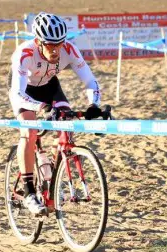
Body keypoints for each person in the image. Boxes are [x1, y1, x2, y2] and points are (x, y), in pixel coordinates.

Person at [9, 12, 102, 215]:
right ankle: (29, 192)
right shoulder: (24, 53)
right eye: (50, 45)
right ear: (38, 41)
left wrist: (94, 105)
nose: (55, 50)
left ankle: (51, 170)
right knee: (30, 132)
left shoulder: (69, 49)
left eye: (59, 44)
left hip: (50, 87)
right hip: (25, 91)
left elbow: (90, 81)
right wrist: (41, 107)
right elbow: (17, 92)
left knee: (66, 121)